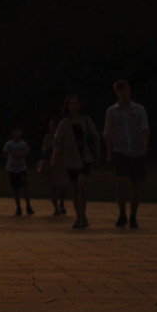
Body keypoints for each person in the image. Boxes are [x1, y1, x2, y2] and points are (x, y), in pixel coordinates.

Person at [103, 79, 150, 229]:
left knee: (135, 184)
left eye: (126, 90)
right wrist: (109, 153)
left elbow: (144, 129)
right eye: (121, 90)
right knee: (121, 180)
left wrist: (143, 146)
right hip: (119, 149)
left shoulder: (139, 110)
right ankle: (122, 212)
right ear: (117, 93)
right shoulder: (112, 111)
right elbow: (108, 133)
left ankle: (133, 215)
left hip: (136, 150)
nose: (124, 93)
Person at [52, 94, 102, 230]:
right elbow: (57, 142)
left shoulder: (86, 121)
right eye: (72, 104)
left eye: (77, 103)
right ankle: (80, 216)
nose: (74, 106)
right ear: (67, 106)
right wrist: (56, 157)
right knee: (75, 188)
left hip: (85, 157)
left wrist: (98, 155)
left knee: (81, 184)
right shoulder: (64, 124)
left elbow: (95, 138)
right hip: (71, 159)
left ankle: (82, 215)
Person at [39, 114, 67, 217]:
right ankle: (56, 208)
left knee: (63, 185)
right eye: (50, 125)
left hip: (61, 163)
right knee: (53, 187)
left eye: (52, 125)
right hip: (51, 163)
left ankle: (62, 203)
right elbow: (43, 150)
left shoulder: (62, 137)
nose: (51, 128)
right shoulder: (48, 137)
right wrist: (50, 146)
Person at [2, 127, 35, 216]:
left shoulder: (23, 144)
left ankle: (28, 206)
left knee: (25, 187)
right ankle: (18, 207)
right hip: (12, 169)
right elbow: (4, 153)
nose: (17, 134)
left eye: (18, 132)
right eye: (15, 132)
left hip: (21, 168)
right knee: (16, 189)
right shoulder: (9, 144)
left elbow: (27, 153)